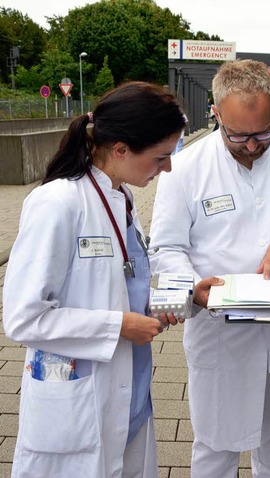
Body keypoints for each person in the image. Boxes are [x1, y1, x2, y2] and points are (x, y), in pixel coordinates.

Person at [148, 59, 270, 478]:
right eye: (238, 135)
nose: (252, 145)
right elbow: (166, 248)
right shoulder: (184, 169)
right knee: (216, 447)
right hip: (220, 333)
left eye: (262, 133)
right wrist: (190, 291)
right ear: (215, 115)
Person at [2, 81, 188, 478]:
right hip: (78, 399)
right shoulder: (58, 204)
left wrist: (187, 297)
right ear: (120, 149)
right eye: (161, 157)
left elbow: (117, 285)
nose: (167, 168)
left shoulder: (121, 198)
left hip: (128, 389)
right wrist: (120, 325)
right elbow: (23, 317)